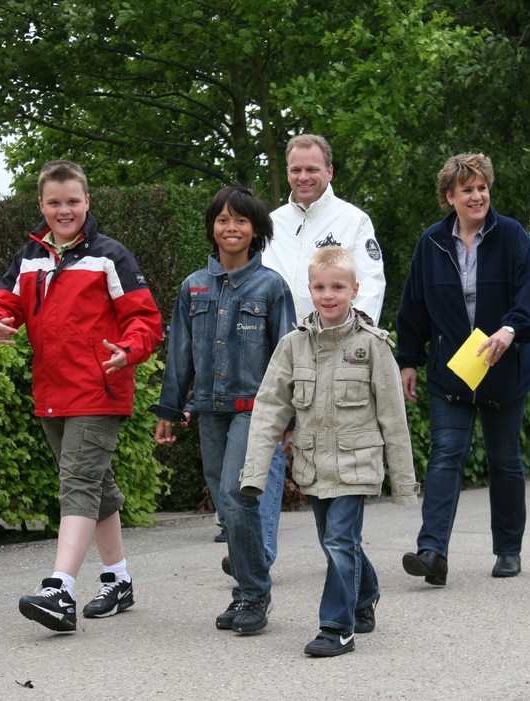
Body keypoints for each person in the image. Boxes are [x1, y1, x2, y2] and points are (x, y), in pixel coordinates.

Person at [0, 160, 163, 632]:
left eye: (73, 201)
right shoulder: (28, 258)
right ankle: (118, 579)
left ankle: (60, 589)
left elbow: (145, 319)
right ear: (41, 205)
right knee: (95, 486)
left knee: (77, 483)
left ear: (87, 202)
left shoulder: (110, 255)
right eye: (55, 202)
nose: (64, 210)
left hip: (99, 389)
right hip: (51, 391)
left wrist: (128, 350)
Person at [239, 247, 418, 658]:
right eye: (320, 287)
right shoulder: (292, 346)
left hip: (357, 465)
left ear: (354, 290)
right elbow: (268, 410)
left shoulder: (373, 346)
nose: (328, 295)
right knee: (336, 541)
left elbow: (394, 418)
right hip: (313, 465)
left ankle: (337, 628)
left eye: (337, 287)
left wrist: (403, 483)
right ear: (310, 289)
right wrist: (255, 473)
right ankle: (365, 593)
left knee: (339, 540)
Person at [153, 185, 295, 635]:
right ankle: (245, 592)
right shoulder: (192, 286)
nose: (231, 228)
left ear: (256, 230)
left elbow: (287, 357)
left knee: (237, 496)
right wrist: (170, 410)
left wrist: (289, 417)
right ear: (211, 228)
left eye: (241, 220)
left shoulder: (272, 286)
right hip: (209, 410)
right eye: (222, 220)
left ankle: (254, 593)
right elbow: (179, 353)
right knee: (225, 504)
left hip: (255, 410)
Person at [396, 152, 530, 584]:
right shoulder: (431, 243)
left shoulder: (512, 236)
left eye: (482, 187)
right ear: (450, 197)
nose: (477, 196)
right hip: (452, 373)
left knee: (505, 460)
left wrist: (511, 329)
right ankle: (432, 552)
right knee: (445, 455)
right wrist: (409, 360)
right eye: (467, 190)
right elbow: (413, 306)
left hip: (504, 368)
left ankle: (508, 550)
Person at [255, 134, 388, 569]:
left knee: (330, 459)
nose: (303, 176)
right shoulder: (271, 223)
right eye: (296, 169)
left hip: (333, 356)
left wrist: (354, 347)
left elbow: (370, 285)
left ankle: (346, 559)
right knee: (269, 444)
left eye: (312, 169)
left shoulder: (353, 220)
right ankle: (257, 555)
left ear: (329, 171)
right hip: (279, 353)